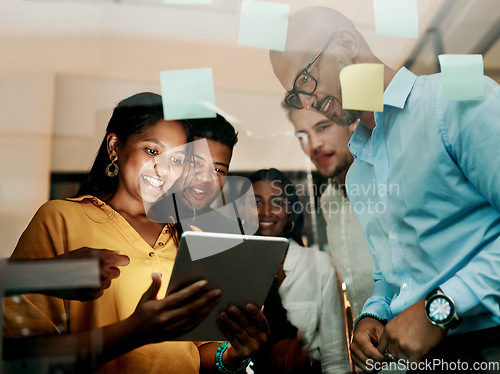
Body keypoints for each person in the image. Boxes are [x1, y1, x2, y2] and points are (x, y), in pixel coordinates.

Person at [270, 6, 500, 373]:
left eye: (306, 82)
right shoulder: (361, 169)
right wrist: (371, 316)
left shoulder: (454, 101)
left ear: (345, 43)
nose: (309, 103)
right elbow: (390, 273)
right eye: (296, 97)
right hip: (418, 361)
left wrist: (439, 309)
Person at [2, 92, 269, 374]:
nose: (163, 168)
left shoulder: (192, 238)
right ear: (115, 146)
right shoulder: (61, 219)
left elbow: (198, 352)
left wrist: (233, 354)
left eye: (177, 160)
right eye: (152, 151)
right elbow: (21, 354)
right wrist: (134, 331)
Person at [150, 114, 312, 374]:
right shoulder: (145, 224)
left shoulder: (226, 238)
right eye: (195, 164)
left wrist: (281, 346)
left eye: (218, 169)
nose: (206, 179)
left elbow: (267, 312)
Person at [242, 168, 351, 374]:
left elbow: (336, 359)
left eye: (276, 202)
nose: (265, 211)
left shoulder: (319, 265)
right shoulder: (233, 266)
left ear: (290, 210)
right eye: (256, 202)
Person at [287, 106, 373, 321]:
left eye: (323, 127)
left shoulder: (386, 184)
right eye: (302, 136)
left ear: (353, 123)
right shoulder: (328, 199)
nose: (314, 144)